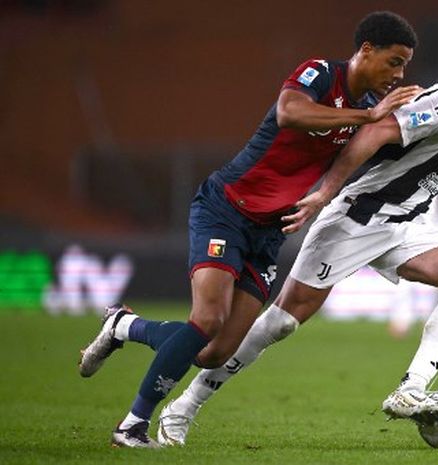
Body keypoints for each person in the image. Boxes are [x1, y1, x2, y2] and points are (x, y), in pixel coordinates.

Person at [158, 42, 438, 446]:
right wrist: (325, 192)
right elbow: (378, 129)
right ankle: (183, 407)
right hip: (358, 218)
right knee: (280, 322)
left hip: (404, 224)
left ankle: (412, 388)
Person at [78, 11, 419, 448]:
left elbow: (355, 157)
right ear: (366, 51)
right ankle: (132, 425)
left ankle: (124, 326)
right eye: (395, 61)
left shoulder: (370, 109)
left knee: (213, 351)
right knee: (206, 319)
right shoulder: (319, 74)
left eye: (405, 65)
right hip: (227, 210)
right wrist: (367, 117)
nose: (400, 73)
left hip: (270, 232)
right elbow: (289, 112)